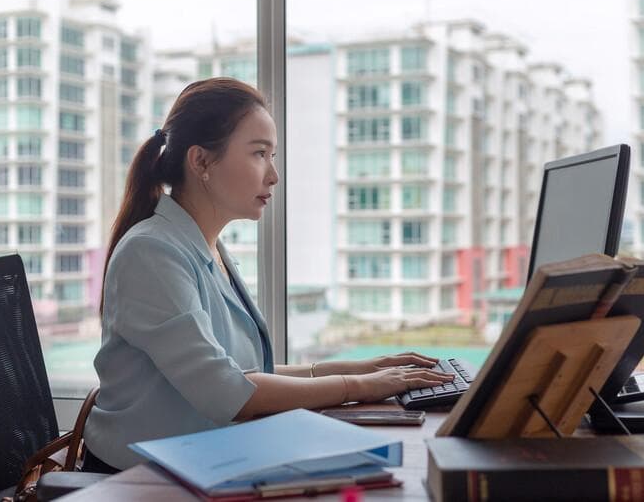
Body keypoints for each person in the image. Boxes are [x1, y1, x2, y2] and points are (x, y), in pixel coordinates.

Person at [83, 77, 454, 472]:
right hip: (137, 479)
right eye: (260, 154)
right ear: (201, 161)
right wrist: (358, 387)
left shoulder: (206, 247)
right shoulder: (152, 252)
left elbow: (244, 373)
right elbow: (228, 391)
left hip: (203, 462)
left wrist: (365, 368)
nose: (273, 175)